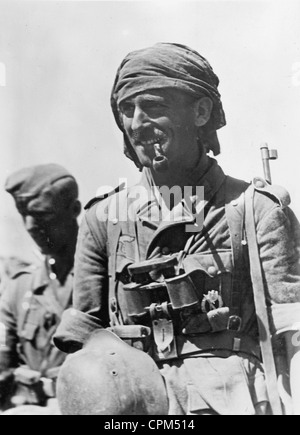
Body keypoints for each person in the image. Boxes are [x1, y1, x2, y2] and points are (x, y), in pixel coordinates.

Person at [54, 43, 300, 415]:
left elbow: (292, 337)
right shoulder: (102, 218)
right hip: (134, 407)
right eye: (127, 110)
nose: (137, 123)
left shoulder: (255, 210)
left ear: (201, 111)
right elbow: (86, 342)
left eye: (154, 107)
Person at [0, 164, 81, 412]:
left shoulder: (102, 280)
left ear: (74, 210)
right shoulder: (19, 288)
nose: (31, 226)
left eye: (43, 215)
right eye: (24, 215)